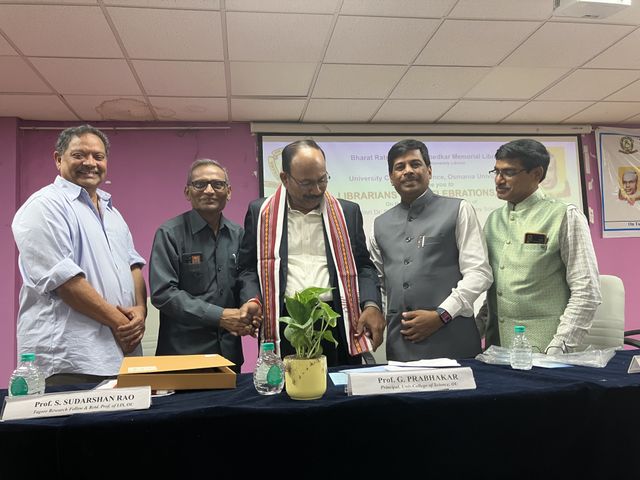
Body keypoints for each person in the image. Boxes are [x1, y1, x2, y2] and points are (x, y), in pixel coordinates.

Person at [12, 125, 147, 386]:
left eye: (98, 156)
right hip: (71, 359)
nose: (90, 163)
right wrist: (123, 325)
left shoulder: (112, 213)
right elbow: (65, 282)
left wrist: (140, 311)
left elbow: (134, 266)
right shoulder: (44, 206)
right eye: (79, 155)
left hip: (121, 356)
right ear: (58, 159)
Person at [238, 139, 385, 366]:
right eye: (306, 183)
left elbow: (364, 266)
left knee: (339, 385)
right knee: (288, 385)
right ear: (285, 178)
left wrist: (372, 305)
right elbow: (247, 268)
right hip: (284, 321)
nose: (316, 190)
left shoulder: (348, 212)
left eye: (322, 180)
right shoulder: (260, 212)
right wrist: (252, 299)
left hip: (337, 320)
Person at [370, 139, 493, 362]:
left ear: (429, 170)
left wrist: (442, 315)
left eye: (415, 164)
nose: (408, 171)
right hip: (402, 345)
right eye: (400, 167)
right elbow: (379, 284)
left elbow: (479, 273)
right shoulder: (380, 224)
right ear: (391, 177)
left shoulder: (459, 209)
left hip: (453, 339)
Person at [478, 139, 601, 354]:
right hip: (497, 350)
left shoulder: (564, 215)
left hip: (547, 350)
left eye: (509, 172)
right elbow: (496, 290)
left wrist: (559, 347)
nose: (499, 179)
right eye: (496, 171)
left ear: (536, 174)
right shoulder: (493, 220)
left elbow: (587, 291)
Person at [149, 159, 261, 372]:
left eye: (217, 184)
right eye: (200, 184)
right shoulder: (170, 234)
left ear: (229, 192)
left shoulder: (238, 234)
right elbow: (163, 294)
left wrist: (250, 304)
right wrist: (220, 317)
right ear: (187, 192)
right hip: (183, 359)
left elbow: (246, 276)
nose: (209, 190)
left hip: (228, 356)